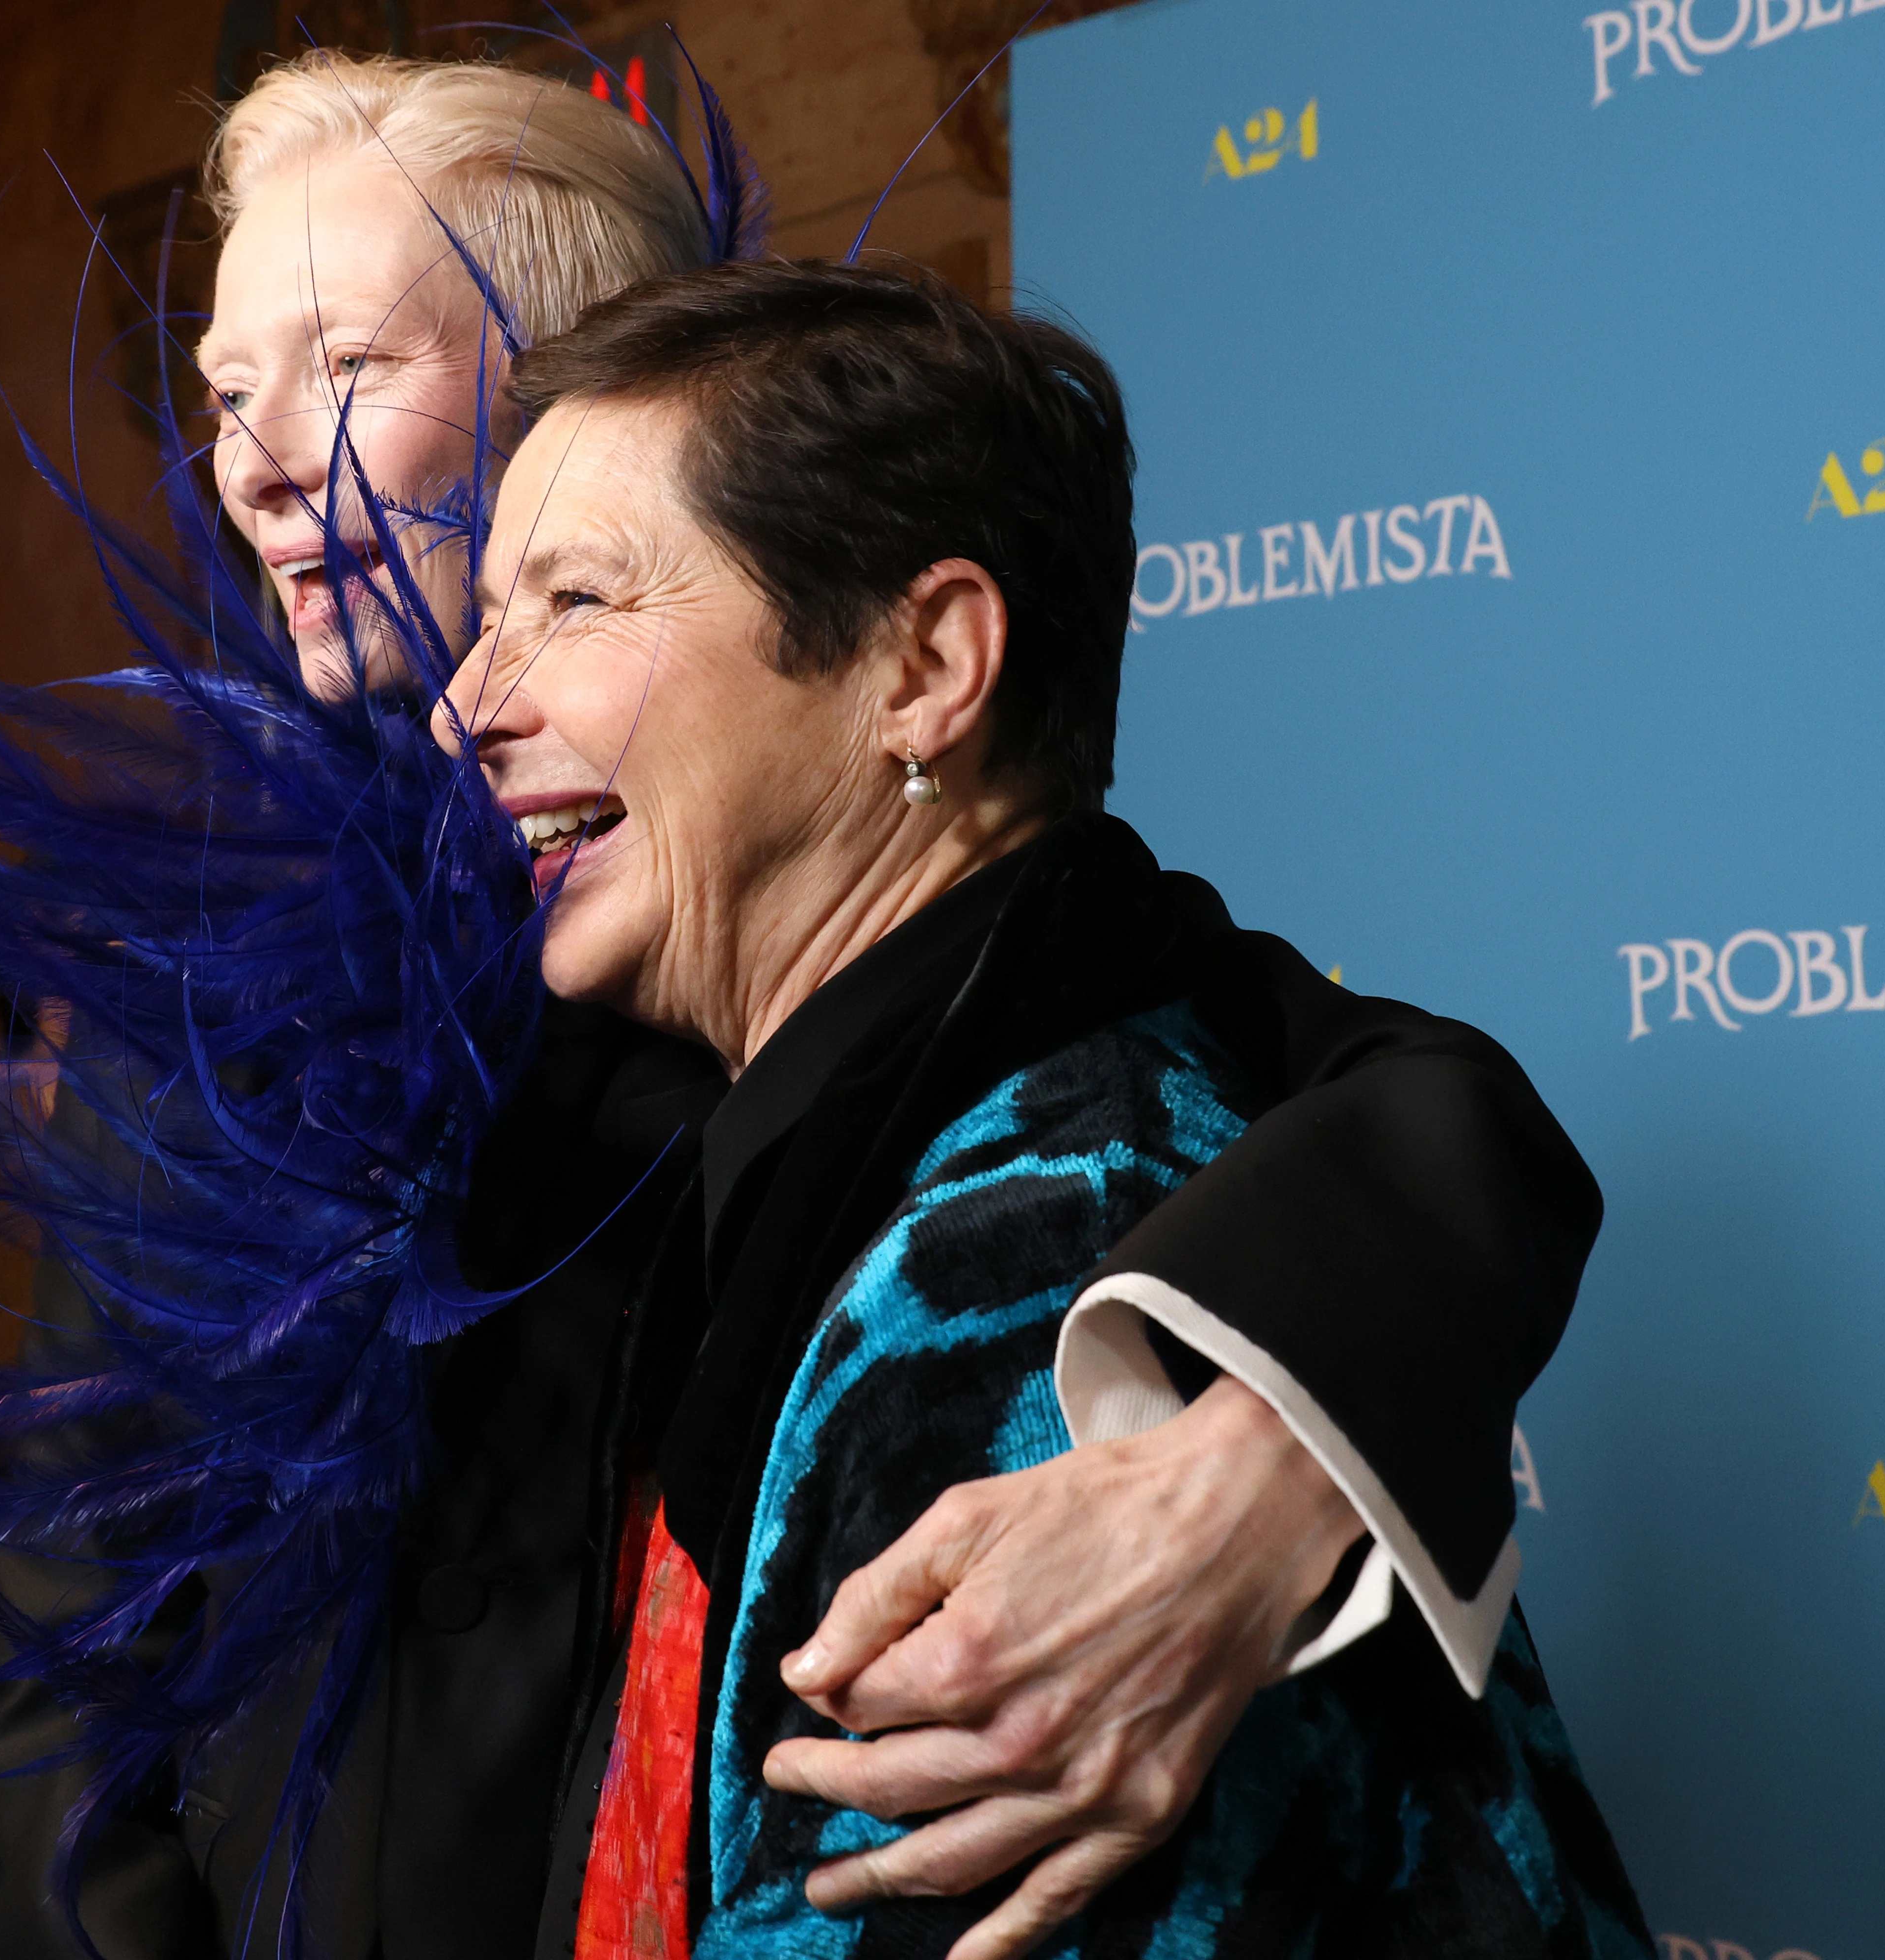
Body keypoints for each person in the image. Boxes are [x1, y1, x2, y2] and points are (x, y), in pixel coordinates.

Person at [0, 50, 1610, 1960]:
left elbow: (1414, 1106)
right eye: (224, 393)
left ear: (592, 358)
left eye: (346, 367)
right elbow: (55, 1654)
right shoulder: (192, 996)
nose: (255, 458)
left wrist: (1248, 1465)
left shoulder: (902, 961)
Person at [440, 257, 1648, 1959]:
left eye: (574, 603)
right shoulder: (940, 1095)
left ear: (924, 667)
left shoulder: (1040, 1257)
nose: (466, 704)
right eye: (489, 615)